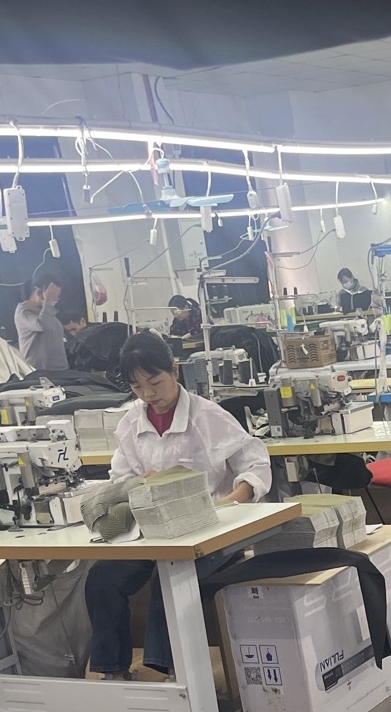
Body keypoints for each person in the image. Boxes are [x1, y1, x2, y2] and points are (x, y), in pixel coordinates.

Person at [85, 332, 272, 680]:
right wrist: (138, 484)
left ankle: (177, 676)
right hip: (154, 534)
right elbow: (119, 480)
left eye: (155, 383)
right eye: (137, 387)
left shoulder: (209, 417)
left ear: (174, 370)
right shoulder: (130, 424)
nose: (148, 394)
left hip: (212, 533)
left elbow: (256, 465)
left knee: (170, 577)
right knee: (102, 578)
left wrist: (230, 502)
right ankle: (113, 672)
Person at [14, 267, 67, 370]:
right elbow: (41, 325)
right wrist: (48, 302)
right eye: (52, 297)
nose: (55, 301)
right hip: (38, 371)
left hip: (58, 370)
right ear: (38, 292)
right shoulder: (23, 312)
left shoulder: (45, 312)